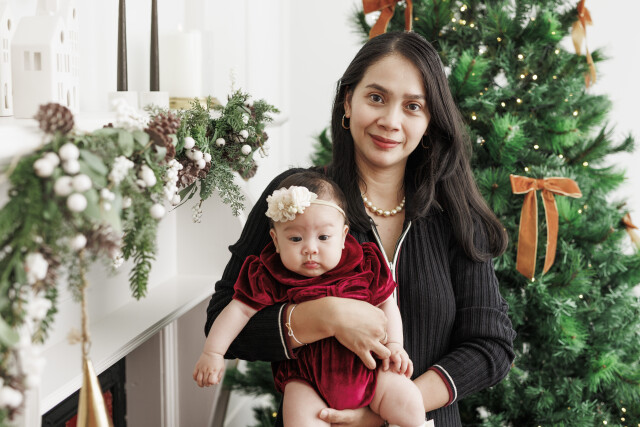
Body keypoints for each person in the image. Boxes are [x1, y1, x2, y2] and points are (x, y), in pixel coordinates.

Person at [204, 31, 516, 426]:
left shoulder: (455, 214)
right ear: (348, 102)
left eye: (413, 106)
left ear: (429, 121)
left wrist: (383, 409)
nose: (390, 121)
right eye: (376, 98)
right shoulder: (297, 199)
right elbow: (224, 319)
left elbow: (491, 347)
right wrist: (324, 315)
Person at [194, 171, 425, 426]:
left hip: (370, 371)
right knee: (300, 416)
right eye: (295, 238)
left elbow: (386, 302)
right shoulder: (271, 274)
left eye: (324, 237)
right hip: (306, 379)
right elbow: (239, 310)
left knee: (408, 400)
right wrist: (213, 352)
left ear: (343, 236)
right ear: (276, 241)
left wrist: (395, 344)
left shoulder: (363, 264)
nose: (310, 249)